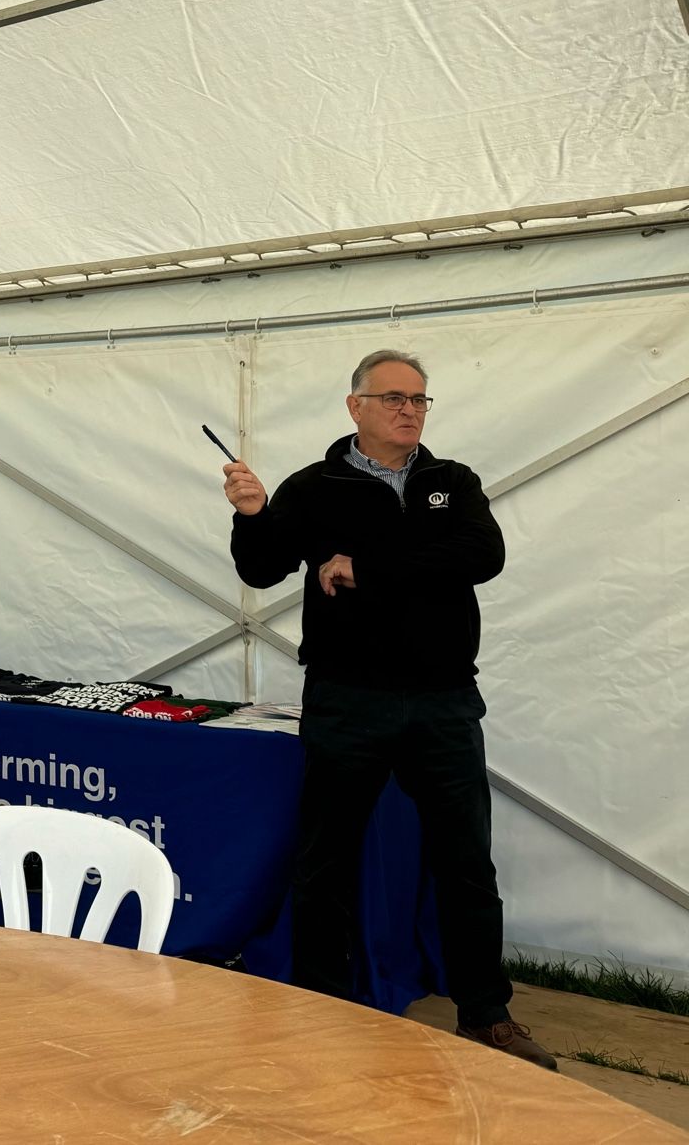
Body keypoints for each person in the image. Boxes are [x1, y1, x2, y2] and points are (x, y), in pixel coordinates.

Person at [223, 350, 553, 1070]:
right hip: (348, 700)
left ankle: (487, 1015)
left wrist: (365, 566)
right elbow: (261, 568)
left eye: (421, 400)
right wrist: (253, 516)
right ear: (357, 408)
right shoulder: (314, 487)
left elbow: (481, 554)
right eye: (395, 398)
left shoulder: (450, 481)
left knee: (466, 862)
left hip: (443, 702)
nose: (411, 410)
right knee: (327, 862)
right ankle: (320, 1004)